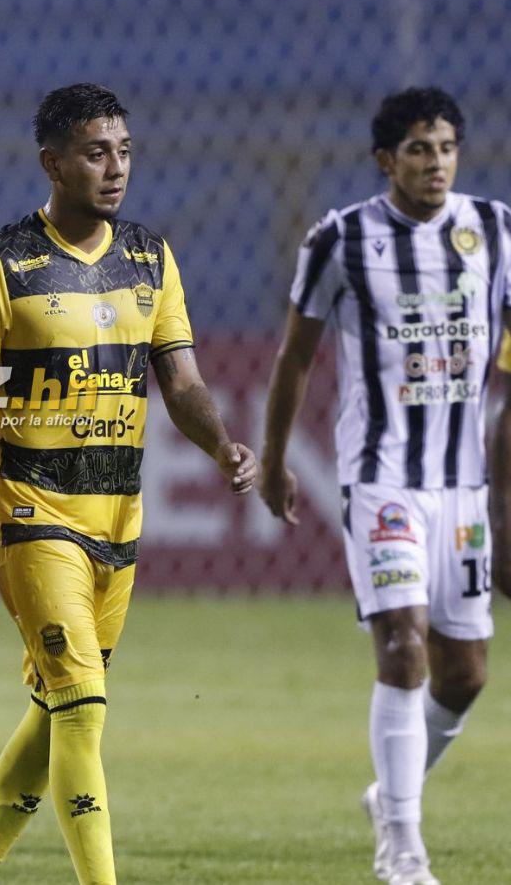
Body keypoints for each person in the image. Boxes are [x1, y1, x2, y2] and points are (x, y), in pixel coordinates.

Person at [0, 83, 257, 885]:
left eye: (125, 151)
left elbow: (180, 382)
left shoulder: (151, 255)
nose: (116, 169)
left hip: (119, 516)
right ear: (53, 162)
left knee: (56, 708)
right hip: (34, 513)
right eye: (96, 152)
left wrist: (220, 445)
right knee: (83, 704)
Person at [261, 87, 505, 885]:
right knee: (403, 647)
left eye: (445, 148)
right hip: (381, 480)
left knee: (464, 674)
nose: (435, 163)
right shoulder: (341, 239)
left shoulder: (496, 234)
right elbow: (296, 358)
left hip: (463, 488)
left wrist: (503, 495)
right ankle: (403, 846)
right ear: (385, 160)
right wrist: (271, 458)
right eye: (418, 150)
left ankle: (389, 796)